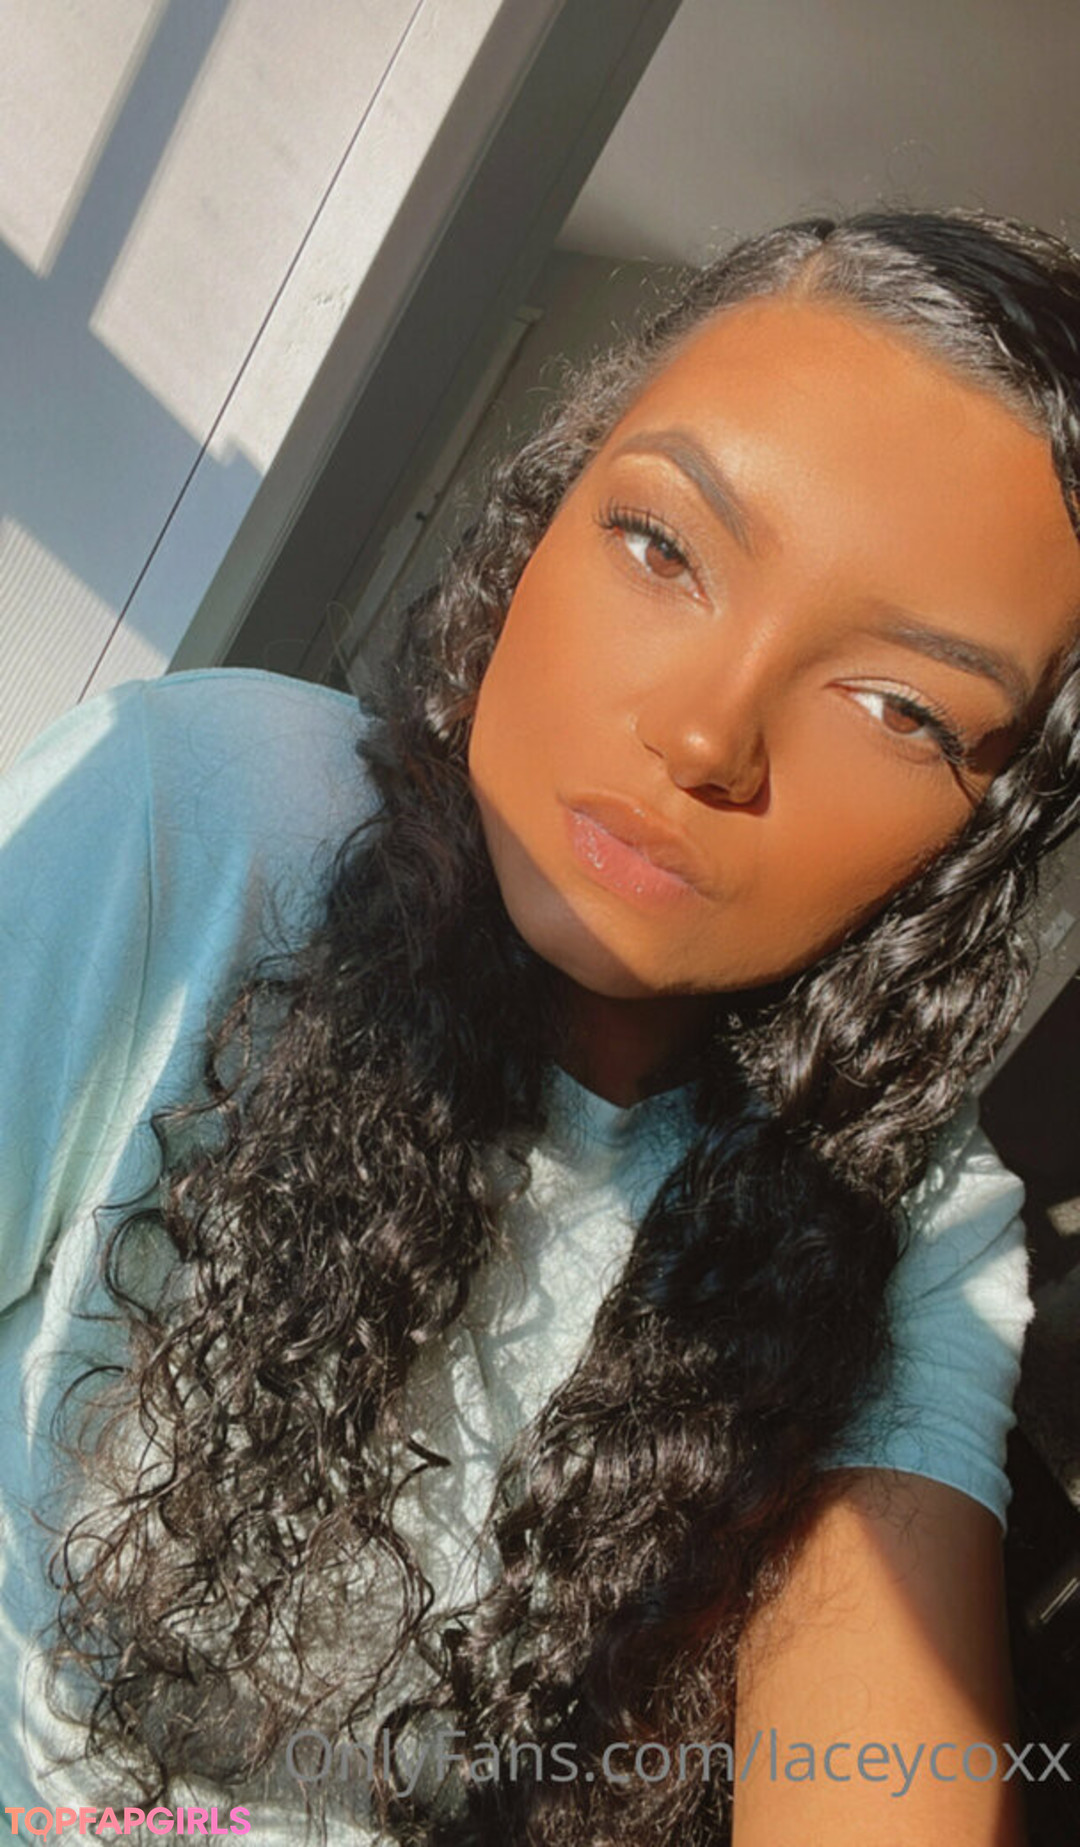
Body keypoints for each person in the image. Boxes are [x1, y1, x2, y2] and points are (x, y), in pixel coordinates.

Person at [2, 207, 1080, 1847]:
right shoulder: (199, 817)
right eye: (662, 547)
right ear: (545, 512)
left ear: (984, 839)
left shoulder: (903, 1221)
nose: (707, 734)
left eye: (900, 707)